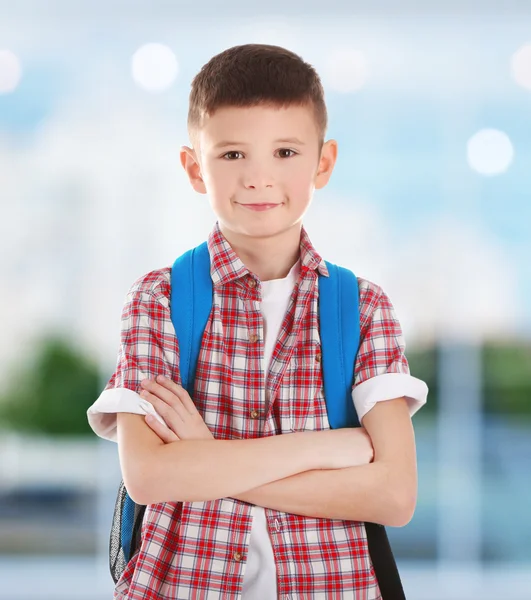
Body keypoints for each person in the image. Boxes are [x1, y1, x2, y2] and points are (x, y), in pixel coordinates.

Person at [87, 43, 429, 599]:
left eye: (286, 152)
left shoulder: (361, 308)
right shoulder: (159, 301)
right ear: (195, 168)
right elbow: (150, 477)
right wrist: (330, 448)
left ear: (324, 162)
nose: (259, 178)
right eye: (232, 155)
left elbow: (394, 495)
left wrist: (208, 458)